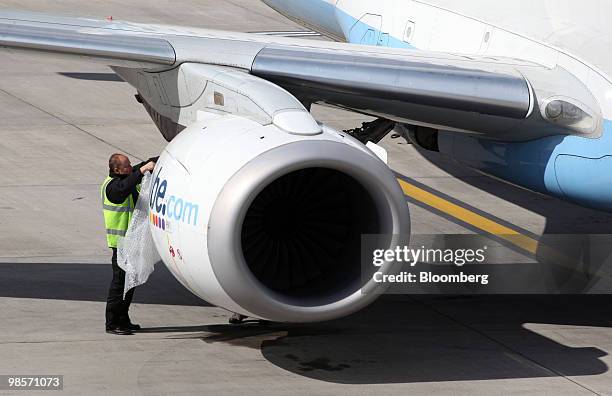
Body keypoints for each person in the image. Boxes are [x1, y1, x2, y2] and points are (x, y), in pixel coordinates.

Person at [101, 153, 157, 335]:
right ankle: (112, 323)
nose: (130, 167)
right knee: (119, 284)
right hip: (120, 243)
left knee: (130, 282)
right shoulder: (112, 187)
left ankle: (123, 319)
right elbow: (125, 186)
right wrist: (142, 170)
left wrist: (159, 158)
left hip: (130, 241)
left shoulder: (126, 175)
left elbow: (137, 169)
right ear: (117, 169)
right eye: (126, 165)